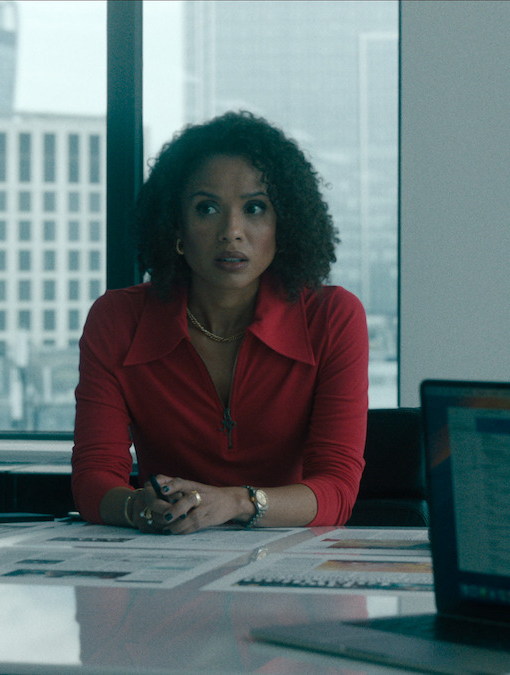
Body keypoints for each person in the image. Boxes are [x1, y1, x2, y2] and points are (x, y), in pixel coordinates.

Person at [71, 111, 368, 535]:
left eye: (255, 208)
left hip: (289, 565)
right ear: (175, 223)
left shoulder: (333, 318)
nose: (232, 232)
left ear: (285, 224)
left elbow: (336, 489)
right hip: (166, 557)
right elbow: (93, 478)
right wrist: (139, 506)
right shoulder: (117, 320)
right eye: (207, 208)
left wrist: (235, 502)